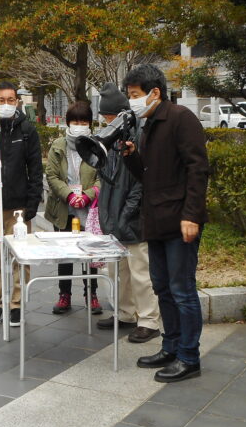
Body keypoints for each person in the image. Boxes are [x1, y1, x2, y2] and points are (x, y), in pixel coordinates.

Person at [121, 64, 209, 383]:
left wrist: (191, 215)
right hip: (156, 220)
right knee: (162, 287)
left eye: (135, 95)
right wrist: (131, 155)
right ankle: (170, 347)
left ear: (154, 92)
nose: (132, 101)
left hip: (178, 221)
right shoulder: (149, 125)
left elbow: (197, 169)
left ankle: (189, 356)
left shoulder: (180, 118)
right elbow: (149, 173)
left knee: (182, 289)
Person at [95, 83, 160, 343]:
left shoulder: (139, 135)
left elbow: (139, 183)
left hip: (133, 218)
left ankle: (149, 320)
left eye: (108, 116)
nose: (106, 121)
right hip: (115, 215)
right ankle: (124, 314)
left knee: (140, 273)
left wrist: (127, 214)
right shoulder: (110, 137)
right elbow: (108, 179)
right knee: (118, 271)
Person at [0, 82, 44, 329]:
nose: (6, 104)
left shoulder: (27, 130)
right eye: (1, 99)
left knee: (20, 257)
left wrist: (32, 203)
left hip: (18, 207)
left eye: (10, 99)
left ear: (17, 102)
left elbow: (36, 169)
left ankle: (17, 305)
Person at [44, 100, 102, 315]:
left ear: (90, 124)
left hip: (90, 209)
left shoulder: (96, 146)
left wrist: (87, 196)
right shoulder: (58, 146)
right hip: (63, 208)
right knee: (65, 254)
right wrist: (69, 194)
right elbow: (51, 175)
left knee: (90, 255)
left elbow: (102, 176)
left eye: (84, 121)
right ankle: (64, 295)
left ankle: (92, 295)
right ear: (68, 123)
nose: (80, 125)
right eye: (76, 121)